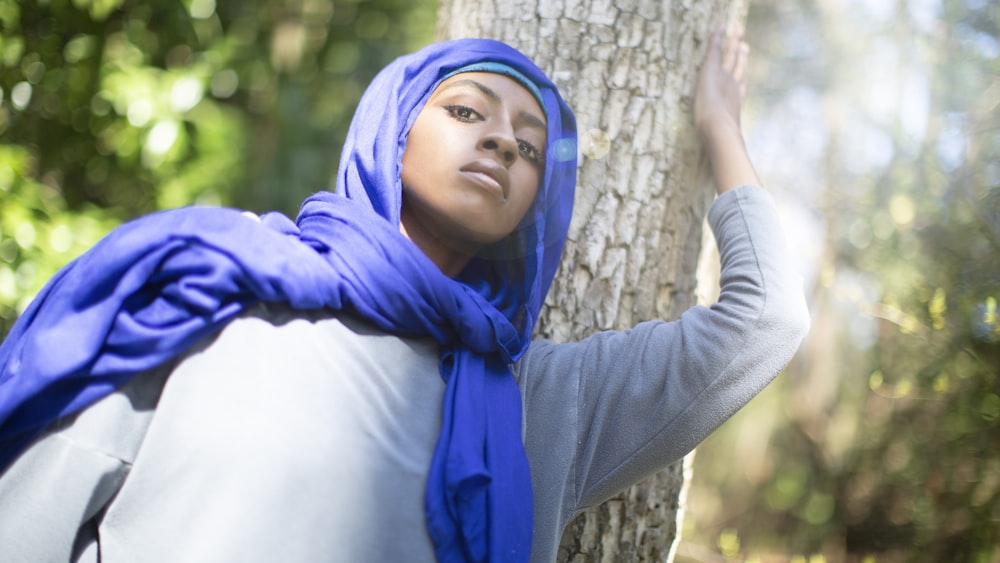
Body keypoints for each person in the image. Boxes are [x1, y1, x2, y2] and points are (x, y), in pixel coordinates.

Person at [0, 30, 809, 563]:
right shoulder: (218, 282)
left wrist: (720, 132)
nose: (501, 140)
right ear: (391, 128)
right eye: (466, 111)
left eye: (530, 147)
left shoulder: (546, 401)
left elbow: (765, 319)